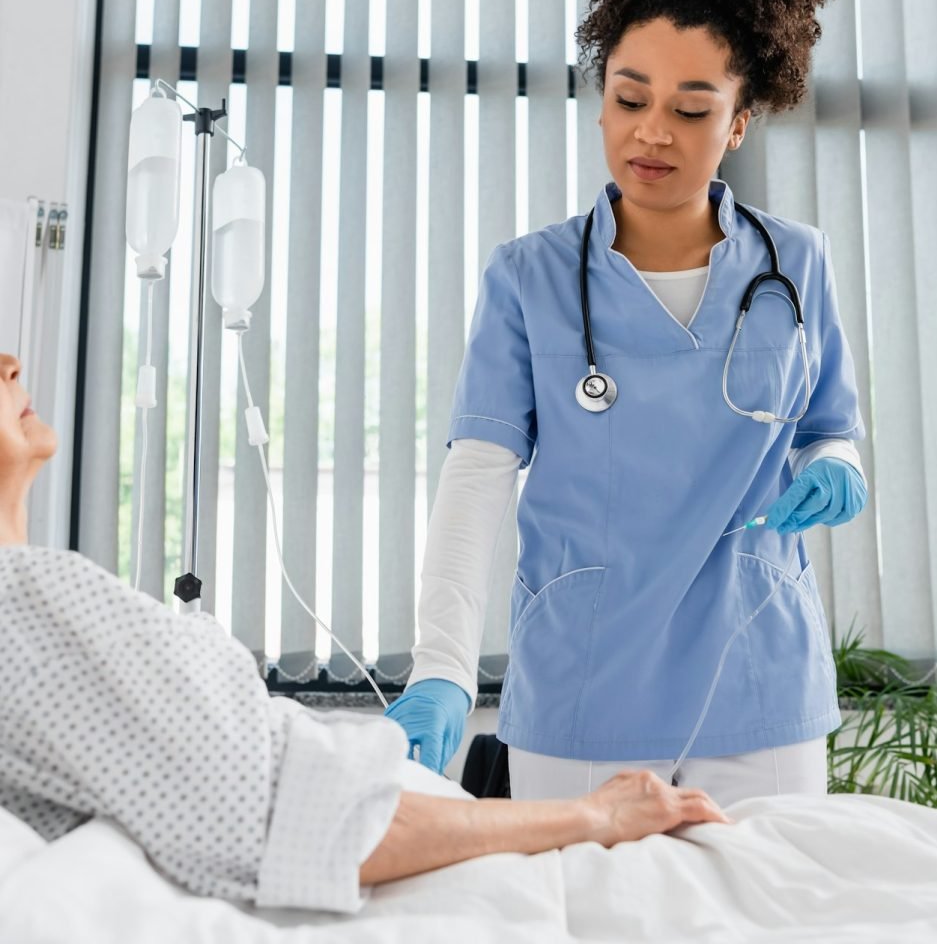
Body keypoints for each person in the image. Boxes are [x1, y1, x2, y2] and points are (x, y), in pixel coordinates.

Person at [387, 0, 868, 803]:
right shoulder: (529, 278)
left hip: (758, 674)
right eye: (630, 98)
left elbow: (828, 427)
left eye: (692, 109)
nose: (652, 132)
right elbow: (478, 474)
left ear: (739, 121)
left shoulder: (797, 262)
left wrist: (837, 464)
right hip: (584, 685)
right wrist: (443, 667)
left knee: (768, 890)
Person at [0, 352, 729, 914]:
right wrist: (594, 813)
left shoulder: (35, 598)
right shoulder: (21, 598)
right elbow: (313, 824)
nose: (11, 361)